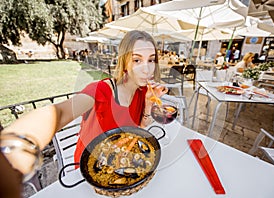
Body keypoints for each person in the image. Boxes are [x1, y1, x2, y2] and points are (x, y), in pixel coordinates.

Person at [1, 30, 168, 171]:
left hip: (120, 163)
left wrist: (148, 101)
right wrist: (13, 144)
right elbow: (60, 112)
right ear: (124, 62)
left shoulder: (142, 91)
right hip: (89, 168)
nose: (146, 69)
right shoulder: (101, 90)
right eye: (137, 60)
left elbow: (140, 128)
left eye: (151, 60)